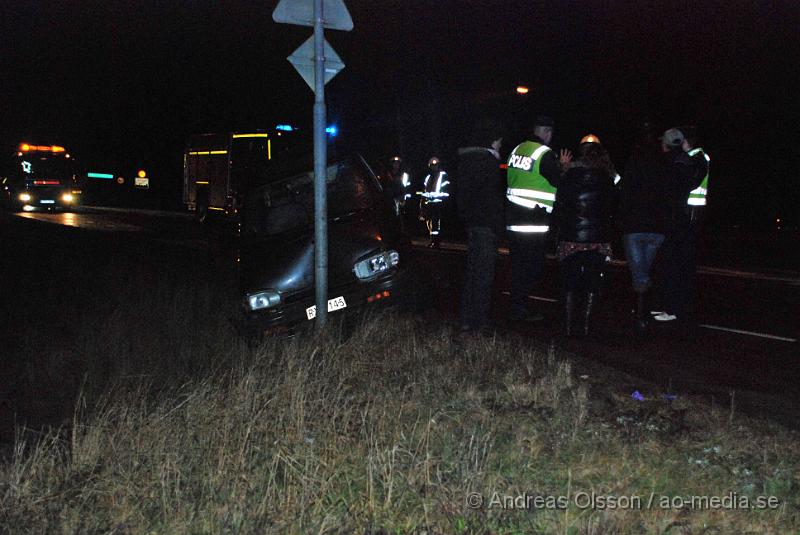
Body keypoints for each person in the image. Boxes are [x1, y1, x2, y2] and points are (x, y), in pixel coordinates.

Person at [619, 127, 693, 331]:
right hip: (659, 227)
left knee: (641, 272)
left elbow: (625, 195)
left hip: (637, 227)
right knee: (652, 269)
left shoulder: (638, 165)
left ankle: (642, 313)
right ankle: (646, 309)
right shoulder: (672, 165)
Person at [505, 115, 570, 322]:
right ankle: (520, 308)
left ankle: (517, 306)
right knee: (531, 267)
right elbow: (560, 183)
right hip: (533, 221)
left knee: (518, 266)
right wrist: (564, 167)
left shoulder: (517, 150)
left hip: (514, 218)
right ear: (547, 132)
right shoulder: (544, 154)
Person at [552, 141, 617, 337]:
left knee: (569, 281)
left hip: (571, 235)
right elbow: (613, 209)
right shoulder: (607, 179)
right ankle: (587, 325)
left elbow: (560, 203)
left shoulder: (570, 175)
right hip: (598, 238)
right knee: (592, 281)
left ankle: (569, 326)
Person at [651, 126, 709, 325]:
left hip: (686, 218)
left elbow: (685, 186)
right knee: (676, 264)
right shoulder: (691, 160)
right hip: (685, 218)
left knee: (677, 264)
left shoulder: (693, 160)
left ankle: (675, 308)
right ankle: (672, 306)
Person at [457, 118, 506, 333]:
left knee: (472, 274)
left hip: (471, 224)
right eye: (500, 143)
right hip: (486, 225)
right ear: (493, 141)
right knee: (484, 276)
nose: (500, 147)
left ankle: (466, 320)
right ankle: (481, 322)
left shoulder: (466, 161)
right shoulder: (488, 163)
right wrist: (498, 226)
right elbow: (493, 199)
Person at [419, 157, 450, 247]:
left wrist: (434, 195)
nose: (434, 167)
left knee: (436, 222)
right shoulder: (428, 177)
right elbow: (425, 190)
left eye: (435, 165)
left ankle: (436, 241)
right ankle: (432, 239)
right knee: (429, 222)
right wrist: (425, 198)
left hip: (439, 203)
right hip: (429, 203)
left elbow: (446, 191)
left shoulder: (443, 175)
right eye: (432, 165)